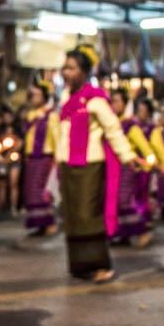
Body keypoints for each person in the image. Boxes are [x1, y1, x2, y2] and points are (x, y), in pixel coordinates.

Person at [56, 47, 137, 283]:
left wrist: (127, 155)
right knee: (72, 215)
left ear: (84, 72)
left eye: (71, 68)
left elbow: (113, 129)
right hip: (68, 164)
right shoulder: (66, 98)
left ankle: (100, 264)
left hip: (90, 164)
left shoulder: (96, 99)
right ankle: (79, 265)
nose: (66, 72)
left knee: (88, 213)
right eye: (65, 67)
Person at [110, 89, 158, 248]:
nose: (114, 105)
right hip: (112, 169)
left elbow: (145, 148)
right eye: (112, 101)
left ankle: (142, 231)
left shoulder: (130, 125)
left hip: (127, 168)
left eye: (117, 101)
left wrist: (147, 164)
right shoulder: (110, 123)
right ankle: (122, 234)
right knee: (115, 202)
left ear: (125, 104)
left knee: (124, 201)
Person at [22, 81, 60, 237]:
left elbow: (57, 138)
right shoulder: (31, 116)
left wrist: (57, 161)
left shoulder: (51, 116)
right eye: (32, 95)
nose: (34, 98)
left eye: (37, 94)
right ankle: (39, 224)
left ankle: (49, 222)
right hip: (32, 158)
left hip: (46, 158)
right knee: (31, 192)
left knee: (43, 192)